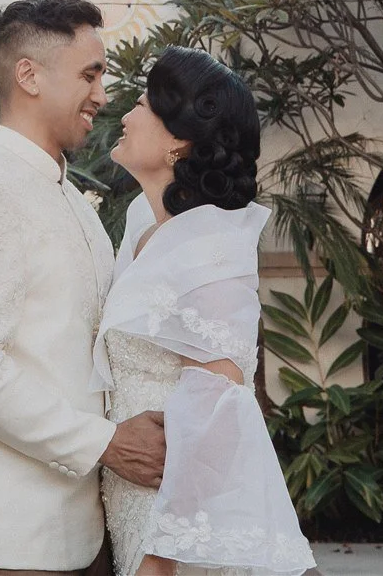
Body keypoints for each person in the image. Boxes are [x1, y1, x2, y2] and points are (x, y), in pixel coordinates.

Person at [0, 0, 168, 576]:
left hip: (89, 533)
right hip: (13, 543)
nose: (102, 95)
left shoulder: (73, 202)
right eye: (89, 73)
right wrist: (107, 445)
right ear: (28, 75)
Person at [96, 47, 313, 576]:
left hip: (175, 523)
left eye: (143, 104)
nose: (125, 114)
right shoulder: (140, 227)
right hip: (127, 500)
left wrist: (160, 558)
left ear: (179, 141)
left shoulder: (214, 243)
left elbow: (217, 405)